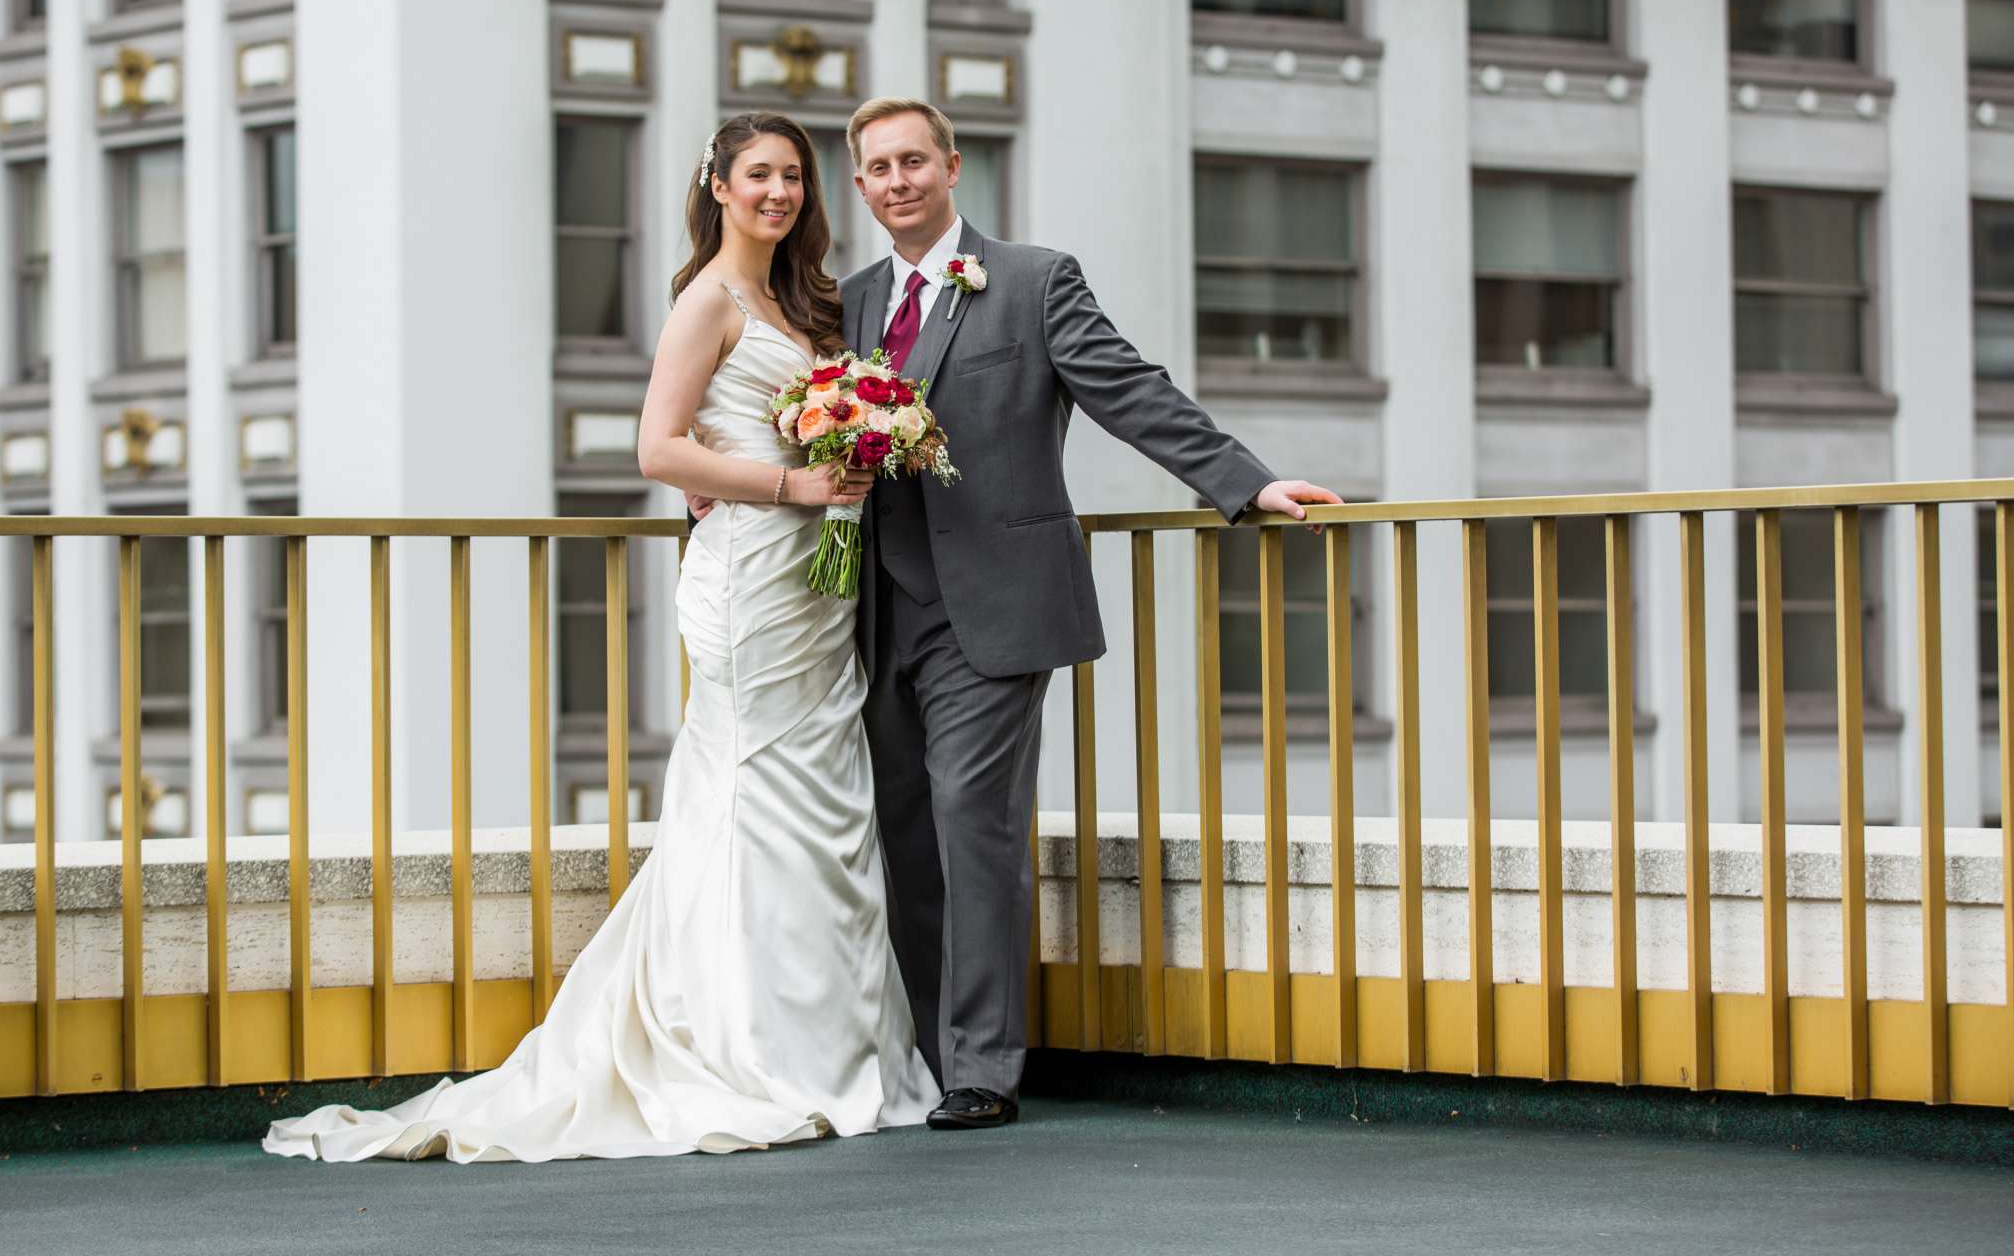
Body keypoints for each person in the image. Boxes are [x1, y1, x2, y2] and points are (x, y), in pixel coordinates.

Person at [262, 112, 938, 1163]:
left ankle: (829, 1046)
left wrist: (848, 460)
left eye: (794, 177)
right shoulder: (705, 301)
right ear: (717, 183)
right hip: (749, 582)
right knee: (753, 794)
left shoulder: (805, 301)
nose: (779, 192)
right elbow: (658, 449)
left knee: (827, 798)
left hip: (815, 586)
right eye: (759, 174)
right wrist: (786, 482)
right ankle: (738, 1046)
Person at [703, 97, 1339, 1129]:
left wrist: (1245, 482)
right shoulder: (845, 303)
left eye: (916, 160)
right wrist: (726, 479)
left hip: (992, 614)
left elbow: (1132, 389)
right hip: (865, 613)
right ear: (860, 187)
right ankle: (917, 1051)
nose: (898, 179)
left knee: (973, 825)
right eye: (878, 167)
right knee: (901, 829)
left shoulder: (1037, 280)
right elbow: (781, 413)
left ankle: (983, 1067)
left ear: (952, 168)